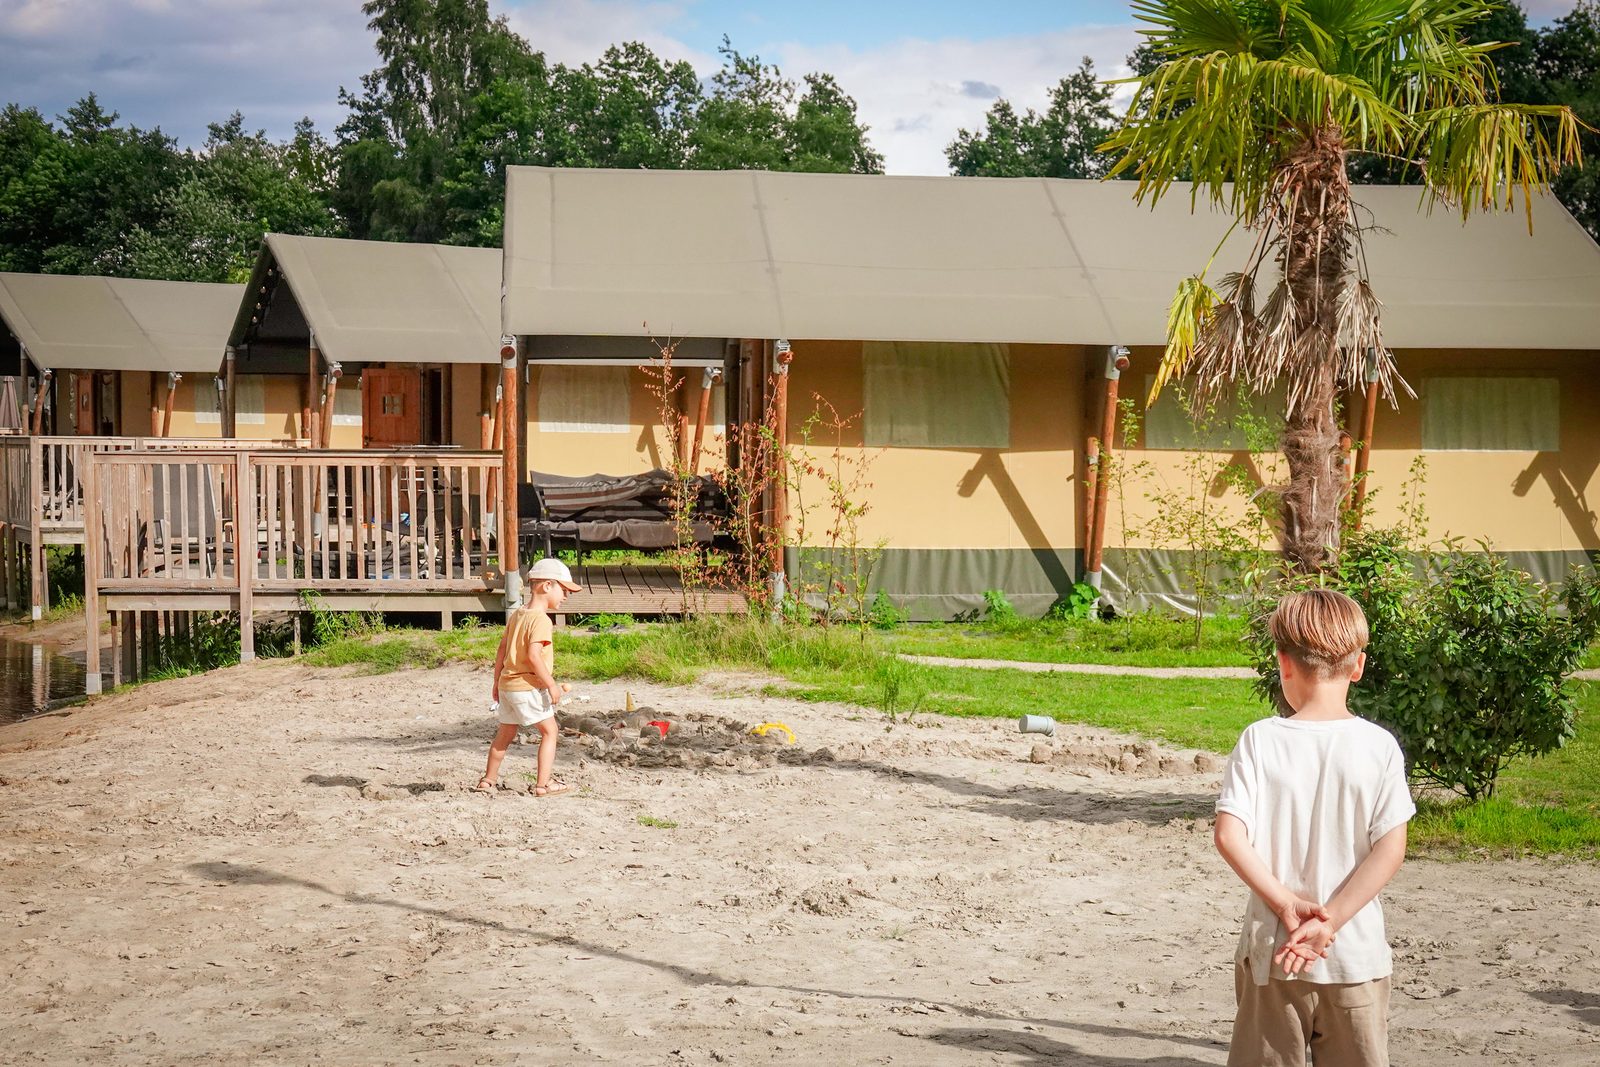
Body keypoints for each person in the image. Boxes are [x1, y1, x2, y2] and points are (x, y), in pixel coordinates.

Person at [1214, 588, 1416, 1067]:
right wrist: (1333, 921)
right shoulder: (1379, 746)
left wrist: (1285, 905)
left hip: (1273, 953)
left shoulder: (1260, 740)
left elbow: (1228, 835)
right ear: (1358, 665)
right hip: (1353, 955)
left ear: (1283, 663)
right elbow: (1390, 848)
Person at [476, 558, 582, 797]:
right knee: (550, 732)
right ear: (546, 586)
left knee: (504, 734)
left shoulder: (518, 614)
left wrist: (496, 682)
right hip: (528, 687)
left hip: (508, 686)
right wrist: (551, 685)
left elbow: (502, 649)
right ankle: (544, 785)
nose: (566, 596)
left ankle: (487, 780)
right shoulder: (542, 620)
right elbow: (534, 657)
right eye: (564, 590)